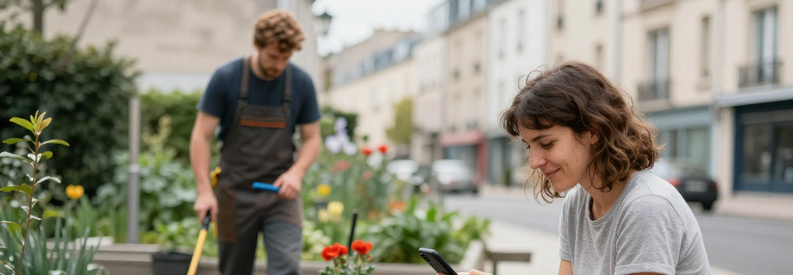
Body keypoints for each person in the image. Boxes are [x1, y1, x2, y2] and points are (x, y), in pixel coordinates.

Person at [449, 61, 711, 275]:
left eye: (547, 143)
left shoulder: (647, 207)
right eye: (529, 146)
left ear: (593, 131)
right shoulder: (579, 202)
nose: (534, 161)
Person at [190, 9, 321, 275]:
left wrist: (296, 173)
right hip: (233, 193)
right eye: (273, 56)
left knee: (286, 266)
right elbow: (201, 136)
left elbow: (312, 138)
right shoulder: (226, 78)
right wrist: (205, 191)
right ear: (257, 45)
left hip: (280, 195)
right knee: (233, 270)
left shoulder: (301, 82)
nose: (279, 65)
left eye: (286, 58)